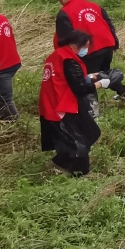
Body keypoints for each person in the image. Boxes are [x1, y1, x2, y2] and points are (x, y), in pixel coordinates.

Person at [39, 30, 108, 176]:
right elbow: (80, 87)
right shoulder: (69, 60)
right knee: (81, 141)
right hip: (63, 105)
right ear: (79, 45)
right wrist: (101, 84)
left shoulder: (56, 56)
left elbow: (65, 78)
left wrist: (88, 77)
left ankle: (62, 167)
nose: (86, 50)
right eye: (86, 46)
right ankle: (75, 172)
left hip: (52, 103)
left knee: (85, 135)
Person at [52, 0, 125, 106]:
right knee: (104, 74)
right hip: (107, 45)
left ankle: (92, 108)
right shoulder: (95, 6)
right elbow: (109, 25)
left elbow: (65, 38)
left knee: (88, 79)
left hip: (89, 50)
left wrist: (64, 57)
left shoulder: (64, 13)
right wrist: (115, 43)